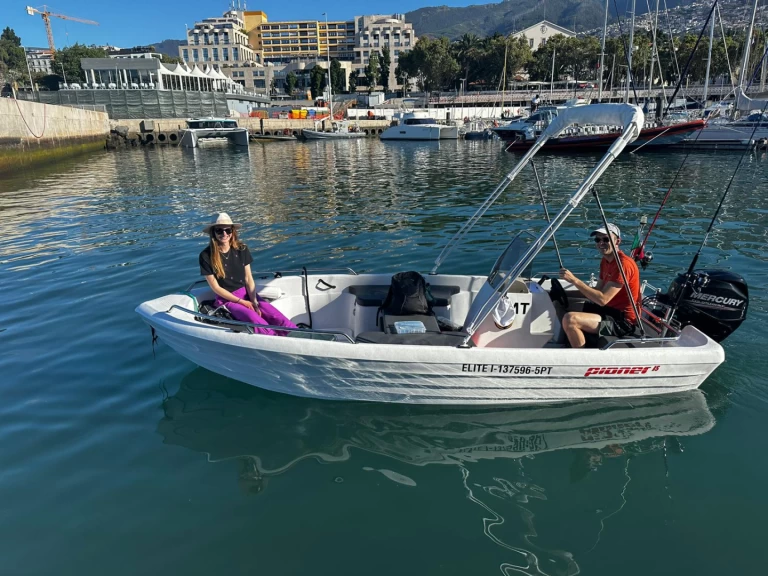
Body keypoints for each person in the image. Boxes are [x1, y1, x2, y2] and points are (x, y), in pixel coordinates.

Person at [199, 213, 298, 336]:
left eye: (227, 230)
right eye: (219, 230)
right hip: (227, 300)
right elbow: (216, 288)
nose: (224, 234)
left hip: (247, 294)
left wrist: (254, 300)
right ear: (213, 233)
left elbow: (248, 278)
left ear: (232, 231)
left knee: (275, 315)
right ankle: (275, 341)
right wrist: (241, 302)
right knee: (255, 320)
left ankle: (298, 336)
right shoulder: (206, 256)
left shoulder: (241, 249)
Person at [558, 223, 641, 348]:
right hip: (607, 312)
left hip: (622, 324)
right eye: (598, 239)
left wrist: (575, 280)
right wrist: (565, 293)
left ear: (617, 241)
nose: (601, 243)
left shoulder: (623, 264)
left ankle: (582, 359)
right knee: (565, 304)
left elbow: (602, 299)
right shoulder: (606, 261)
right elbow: (597, 291)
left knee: (570, 319)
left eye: (606, 239)